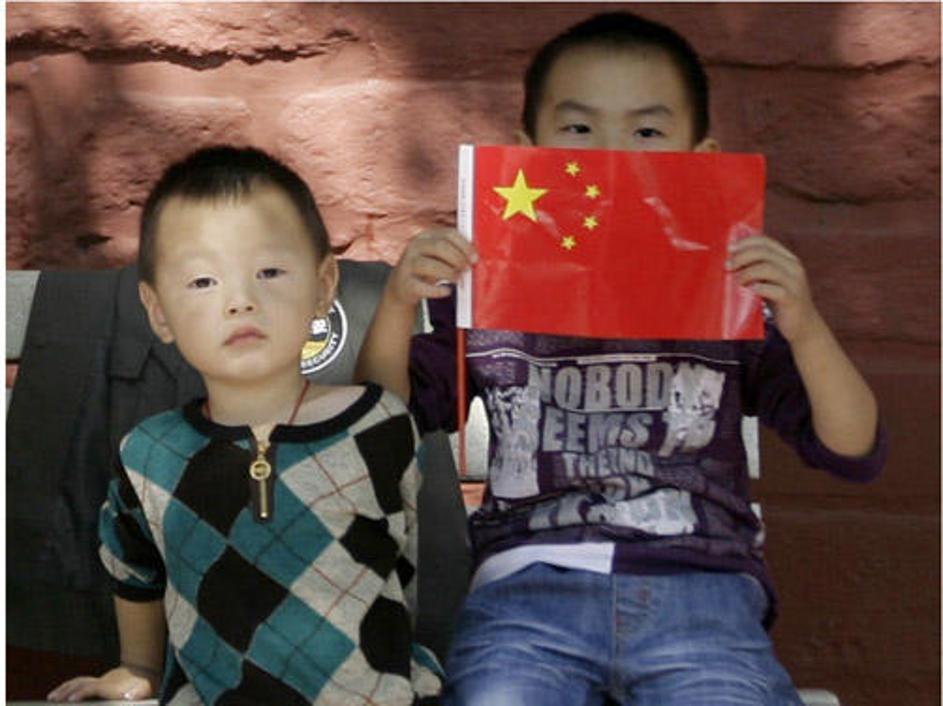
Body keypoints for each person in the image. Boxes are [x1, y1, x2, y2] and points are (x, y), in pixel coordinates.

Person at [355, 12, 886, 706]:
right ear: (528, 153)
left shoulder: (731, 294)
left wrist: (804, 323)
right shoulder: (490, 289)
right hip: (526, 593)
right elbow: (381, 422)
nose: (610, 155)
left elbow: (852, 448)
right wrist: (398, 303)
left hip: (701, 592)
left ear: (700, 157)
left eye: (646, 132)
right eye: (578, 129)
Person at [48, 146, 442, 705]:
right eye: (202, 281)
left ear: (323, 286)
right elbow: (134, 568)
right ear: (158, 312)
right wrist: (138, 666)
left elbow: (387, 407)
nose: (240, 301)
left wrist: (399, 299)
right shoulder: (150, 454)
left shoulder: (376, 423)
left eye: (269, 272)